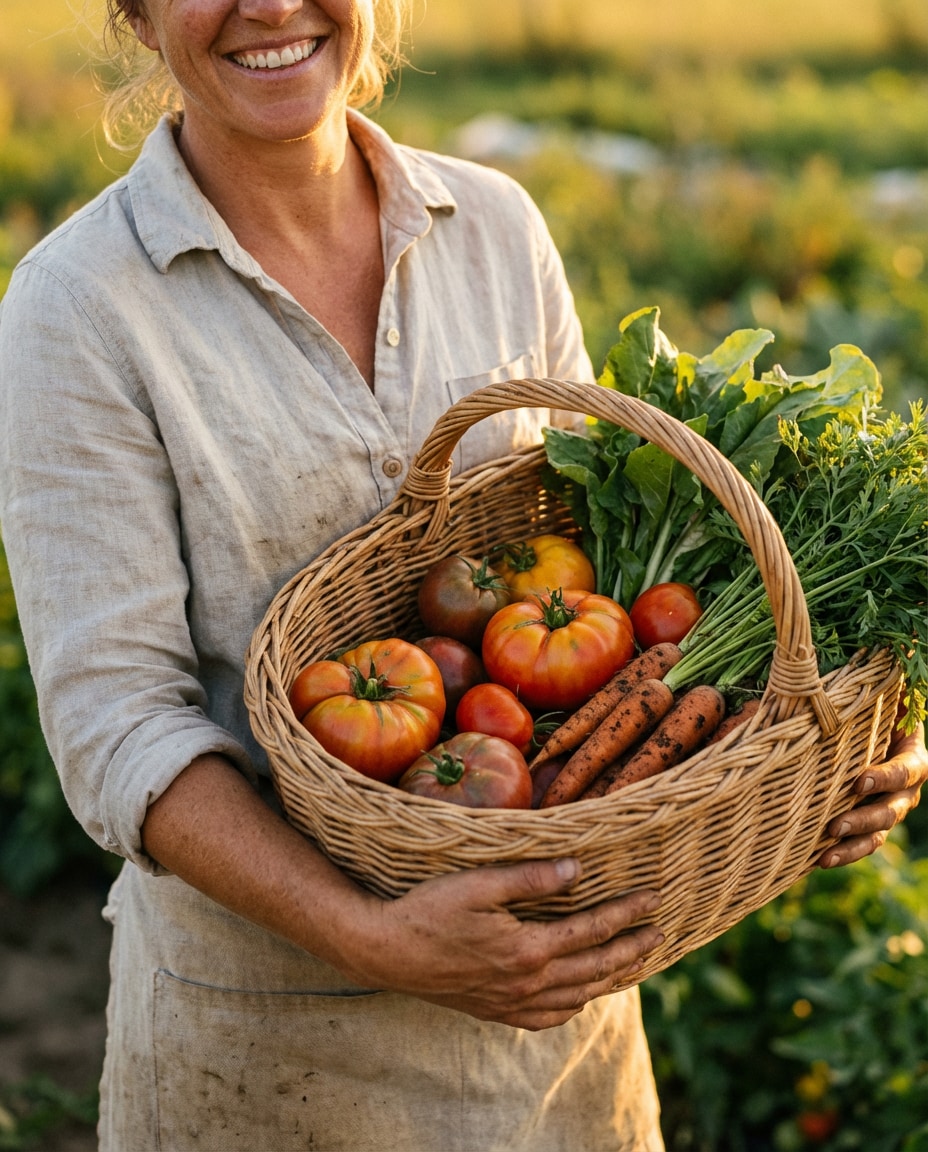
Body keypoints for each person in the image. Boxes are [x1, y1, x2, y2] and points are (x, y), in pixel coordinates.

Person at [0, 2, 924, 1149]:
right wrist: (365, 932)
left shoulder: (494, 223)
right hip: (272, 1052)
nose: (273, 7)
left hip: (558, 1033)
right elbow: (115, 719)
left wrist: (838, 740)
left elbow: (604, 562)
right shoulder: (79, 304)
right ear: (135, 15)